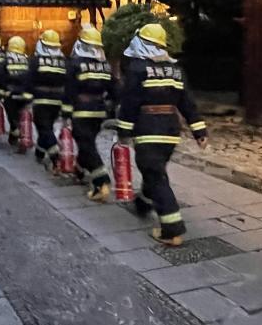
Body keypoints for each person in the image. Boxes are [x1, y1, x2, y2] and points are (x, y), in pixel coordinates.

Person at [116, 23, 208, 246]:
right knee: (155, 169)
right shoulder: (176, 69)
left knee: (155, 175)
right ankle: (143, 203)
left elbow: (130, 102)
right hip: (170, 131)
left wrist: (123, 131)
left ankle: (171, 229)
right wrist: (199, 131)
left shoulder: (137, 68)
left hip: (148, 129)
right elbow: (187, 102)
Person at [62, 25, 115, 201]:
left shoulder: (75, 64)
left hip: (81, 112)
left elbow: (69, 91)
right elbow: (115, 89)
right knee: (88, 142)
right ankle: (79, 170)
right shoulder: (105, 66)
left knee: (86, 145)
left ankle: (102, 181)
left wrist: (66, 114)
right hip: (99, 113)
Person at [27, 29, 67, 170]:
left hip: (41, 100)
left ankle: (55, 156)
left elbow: (29, 79)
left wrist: (28, 96)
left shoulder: (35, 61)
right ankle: (39, 152)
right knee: (47, 127)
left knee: (44, 128)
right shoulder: (63, 61)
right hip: (58, 101)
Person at [3, 36, 32, 148]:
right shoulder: (27, 60)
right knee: (23, 114)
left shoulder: (6, 60)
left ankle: (15, 131)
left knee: (12, 115)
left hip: (11, 94)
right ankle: (23, 135)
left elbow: (1, 76)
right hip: (25, 94)